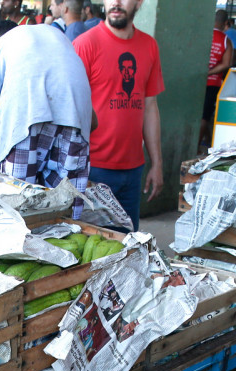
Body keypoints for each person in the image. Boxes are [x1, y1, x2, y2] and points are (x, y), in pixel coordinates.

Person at [0, 22, 92, 216]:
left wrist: (2, 168)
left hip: (26, 116)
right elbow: (93, 123)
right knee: (66, 215)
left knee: (16, 214)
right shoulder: (57, 38)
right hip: (75, 117)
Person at [73, 0, 164, 230]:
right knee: (92, 251)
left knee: (128, 248)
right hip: (92, 169)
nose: (116, 2)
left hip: (133, 171)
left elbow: (150, 106)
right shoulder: (85, 45)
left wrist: (157, 163)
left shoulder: (149, 46)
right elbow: (68, 107)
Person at [203, 10, 235, 144]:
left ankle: (208, 141)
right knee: (205, 117)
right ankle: (196, 146)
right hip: (213, 83)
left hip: (196, 81)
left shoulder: (203, 35)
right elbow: (226, 64)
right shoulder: (226, 40)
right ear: (226, 23)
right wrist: (209, 73)